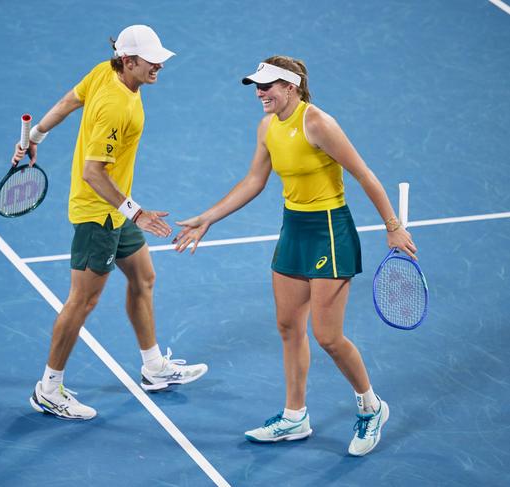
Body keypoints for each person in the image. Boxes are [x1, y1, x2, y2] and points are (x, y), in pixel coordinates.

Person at [173, 57, 417, 456]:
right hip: (294, 230)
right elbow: (255, 179)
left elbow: (365, 175)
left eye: (267, 86)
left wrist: (393, 226)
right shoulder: (268, 126)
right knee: (288, 326)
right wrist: (208, 218)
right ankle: (295, 416)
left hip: (329, 234)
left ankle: (371, 407)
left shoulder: (318, 123)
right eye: (257, 86)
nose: (259, 93)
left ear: (292, 86)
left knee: (328, 337)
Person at [12, 25, 208, 421]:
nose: (159, 65)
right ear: (129, 61)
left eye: (159, 59)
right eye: (150, 61)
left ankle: (153, 367)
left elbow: (70, 99)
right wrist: (136, 211)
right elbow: (92, 173)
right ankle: (48, 389)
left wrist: (36, 134)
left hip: (115, 209)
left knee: (143, 278)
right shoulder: (119, 107)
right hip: (98, 213)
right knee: (82, 302)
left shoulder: (105, 70)